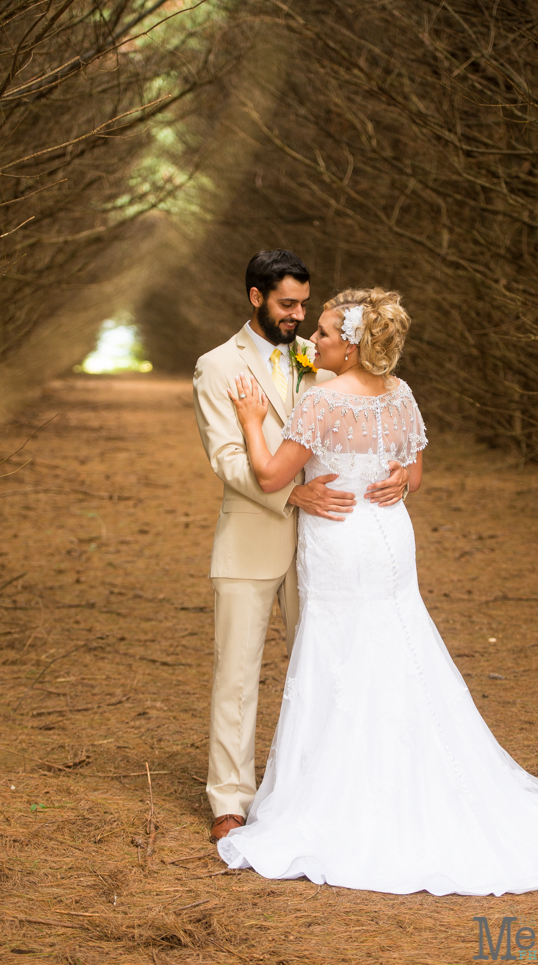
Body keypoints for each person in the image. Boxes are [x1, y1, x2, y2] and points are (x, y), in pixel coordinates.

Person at [218, 286, 538, 896]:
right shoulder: (399, 393)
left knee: (342, 651)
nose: (316, 342)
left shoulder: (321, 400)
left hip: (340, 540)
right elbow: (412, 471)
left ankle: (347, 793)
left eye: (327, 334)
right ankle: (408, 770)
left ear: (352, 348)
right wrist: (396, 483)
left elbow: (272, 474)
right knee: (396, 642)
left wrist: (253, 423)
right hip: (387, 537)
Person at [193, 252, 409, 844]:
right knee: (236, 671)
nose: (298, 316)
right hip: (255, 533)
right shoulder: (217, 366)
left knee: (323, 667)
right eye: (287, 304)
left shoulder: (324, 359)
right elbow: (228, 458)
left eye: (305, 307)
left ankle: (318, 788)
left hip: (330, 545)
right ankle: (230, 799)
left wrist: (399, 474)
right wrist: (294, 495)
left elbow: (364, 426)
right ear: (256, 298)